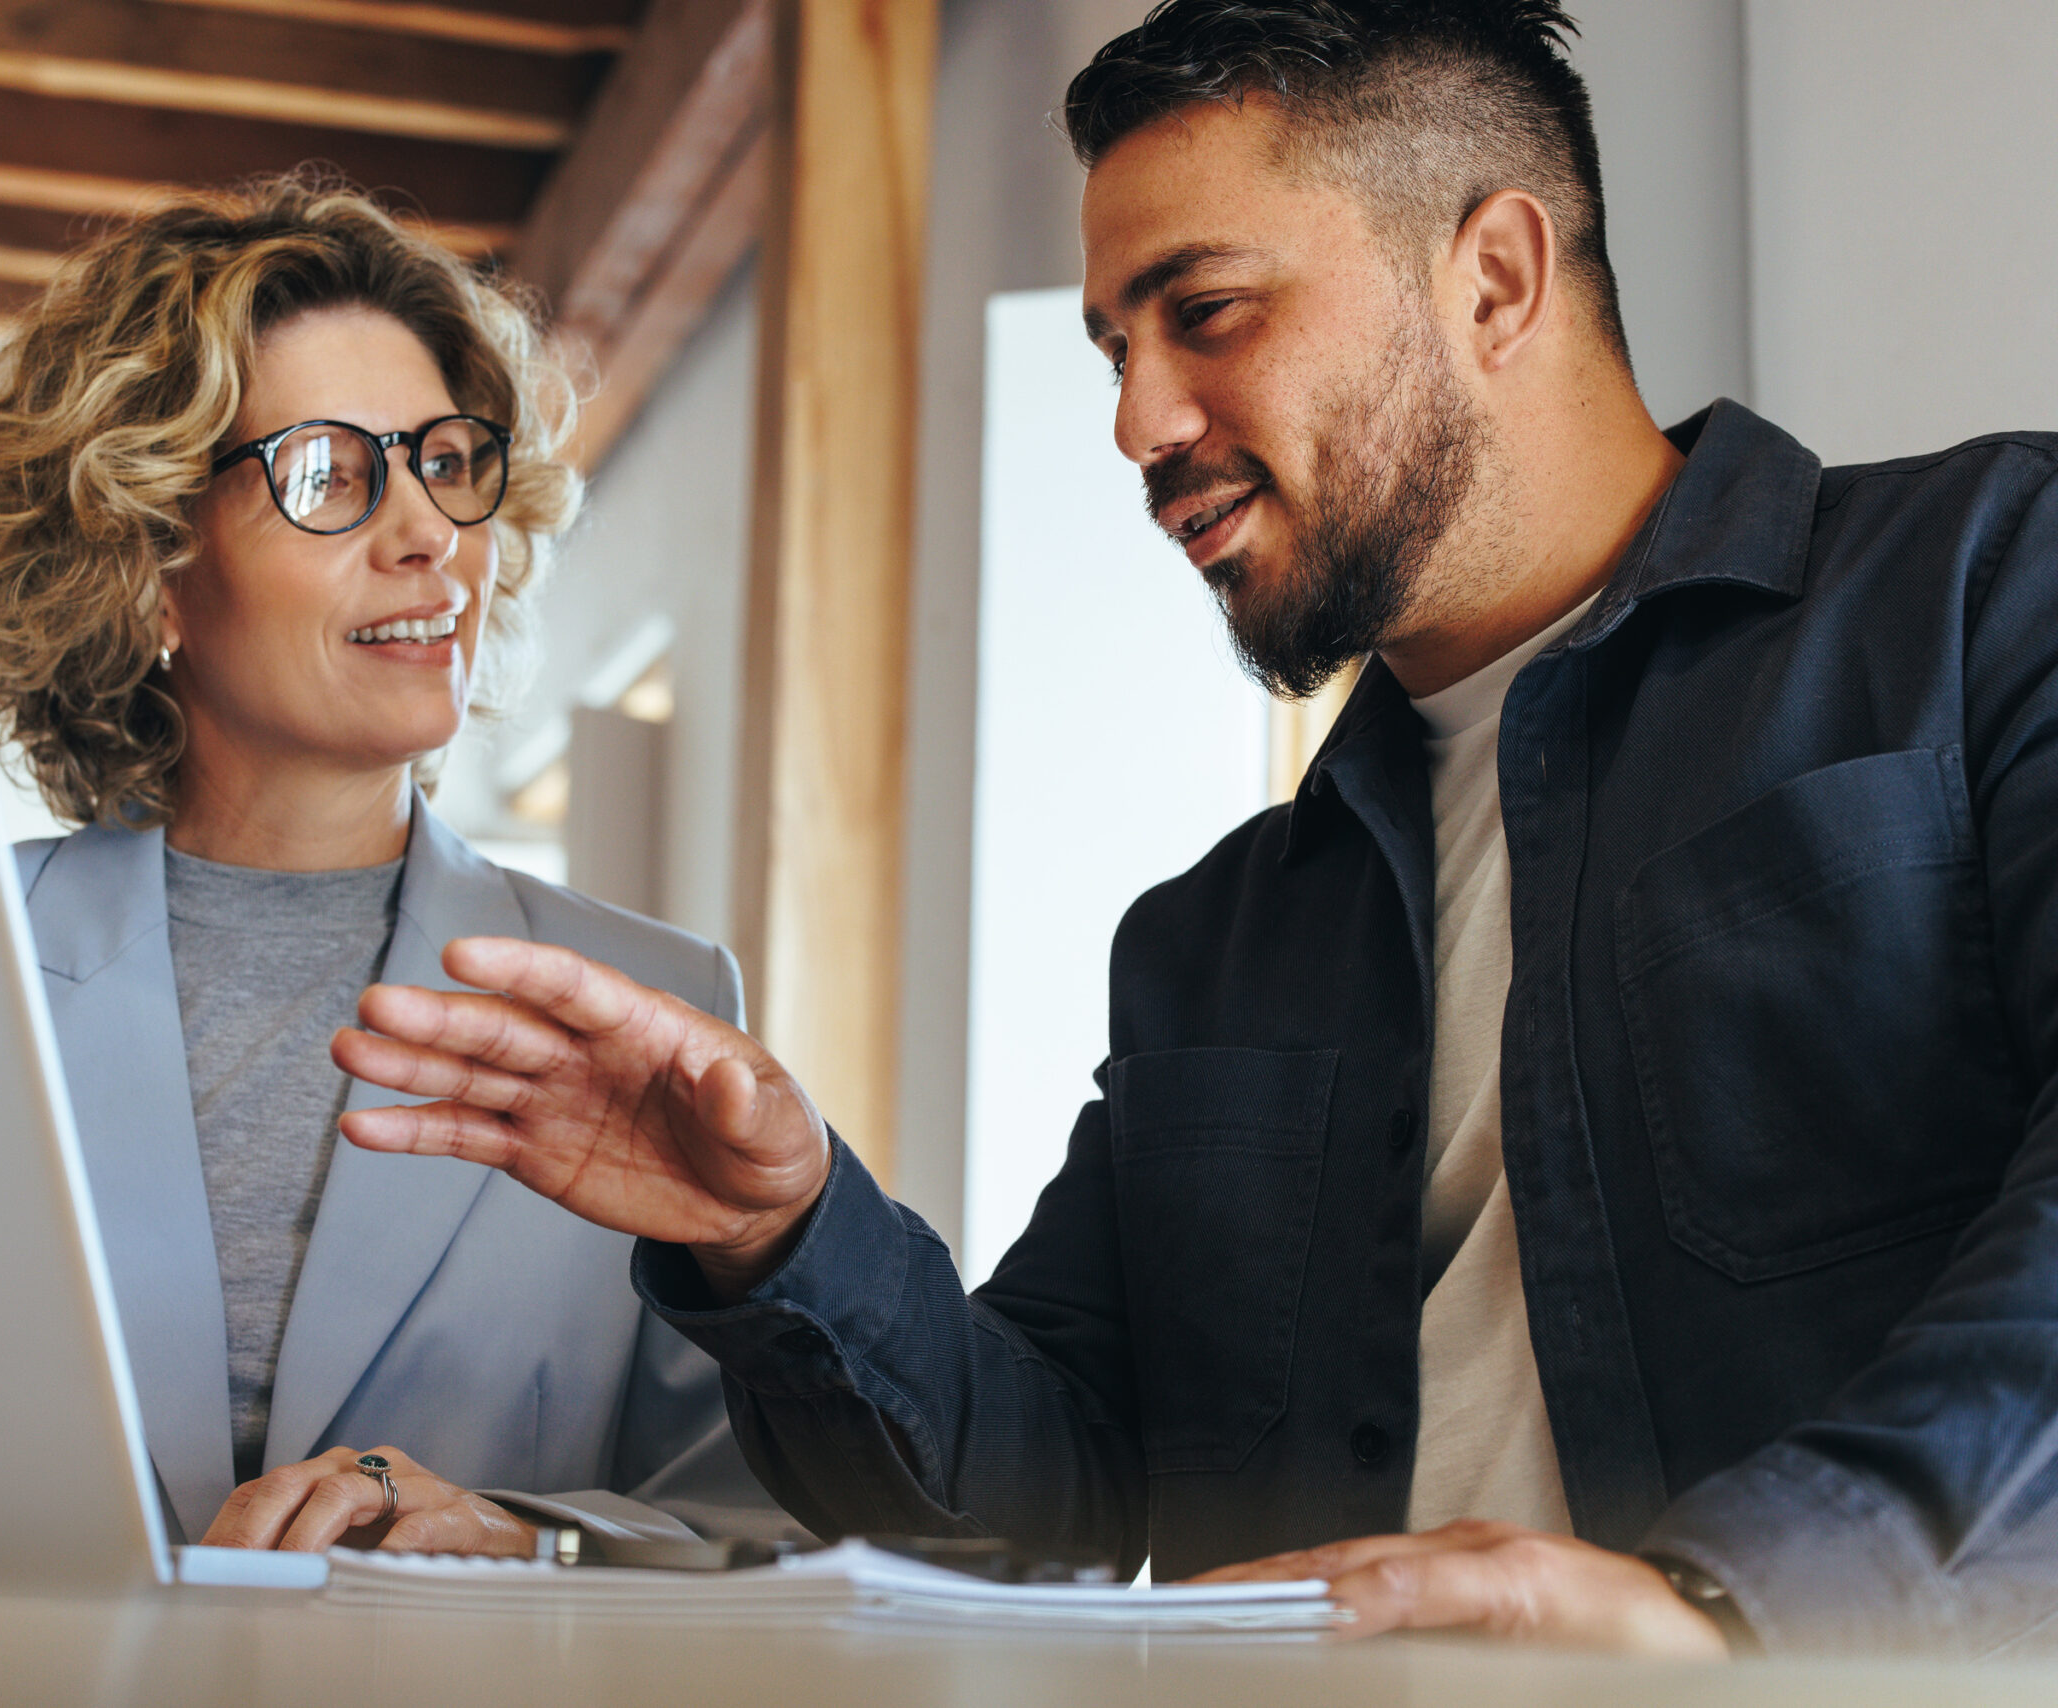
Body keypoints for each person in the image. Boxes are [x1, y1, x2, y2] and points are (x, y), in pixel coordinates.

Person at [323, 0, 2058, 1659]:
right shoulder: (1214, 939)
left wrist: (1731, 1604)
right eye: (1113, 346)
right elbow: (1035, 1507)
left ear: (1499, 277)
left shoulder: (1991, 592)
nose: (1140, 421)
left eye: (1205, 312)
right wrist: (782, 1233)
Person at [0, 173, 789, 1557]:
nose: (428, 537)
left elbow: (764, 1520)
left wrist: (526, 1540)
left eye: (445, 462)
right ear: (149, 564)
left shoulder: (649, 995)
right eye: (330, 475)